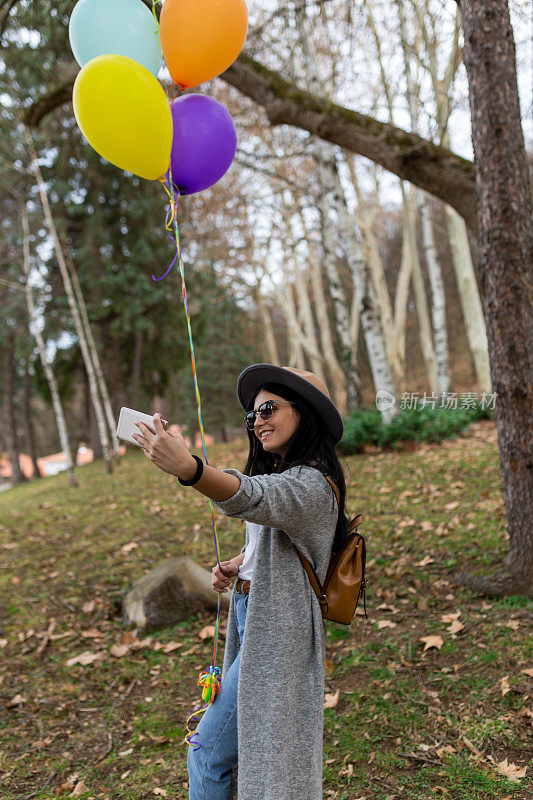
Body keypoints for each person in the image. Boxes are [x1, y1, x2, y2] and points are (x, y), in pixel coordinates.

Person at [132, 363, 349, 800]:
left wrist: (191, 469)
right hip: (255, 618)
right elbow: (280, 535)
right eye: (253, 415)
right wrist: (243, 563)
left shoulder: (312, 485)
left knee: (207, 751)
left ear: (305, 411)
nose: (258, 421)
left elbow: (253, 496)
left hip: (277, 630)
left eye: (268, 408)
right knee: (238, 752)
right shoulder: (290, 475)